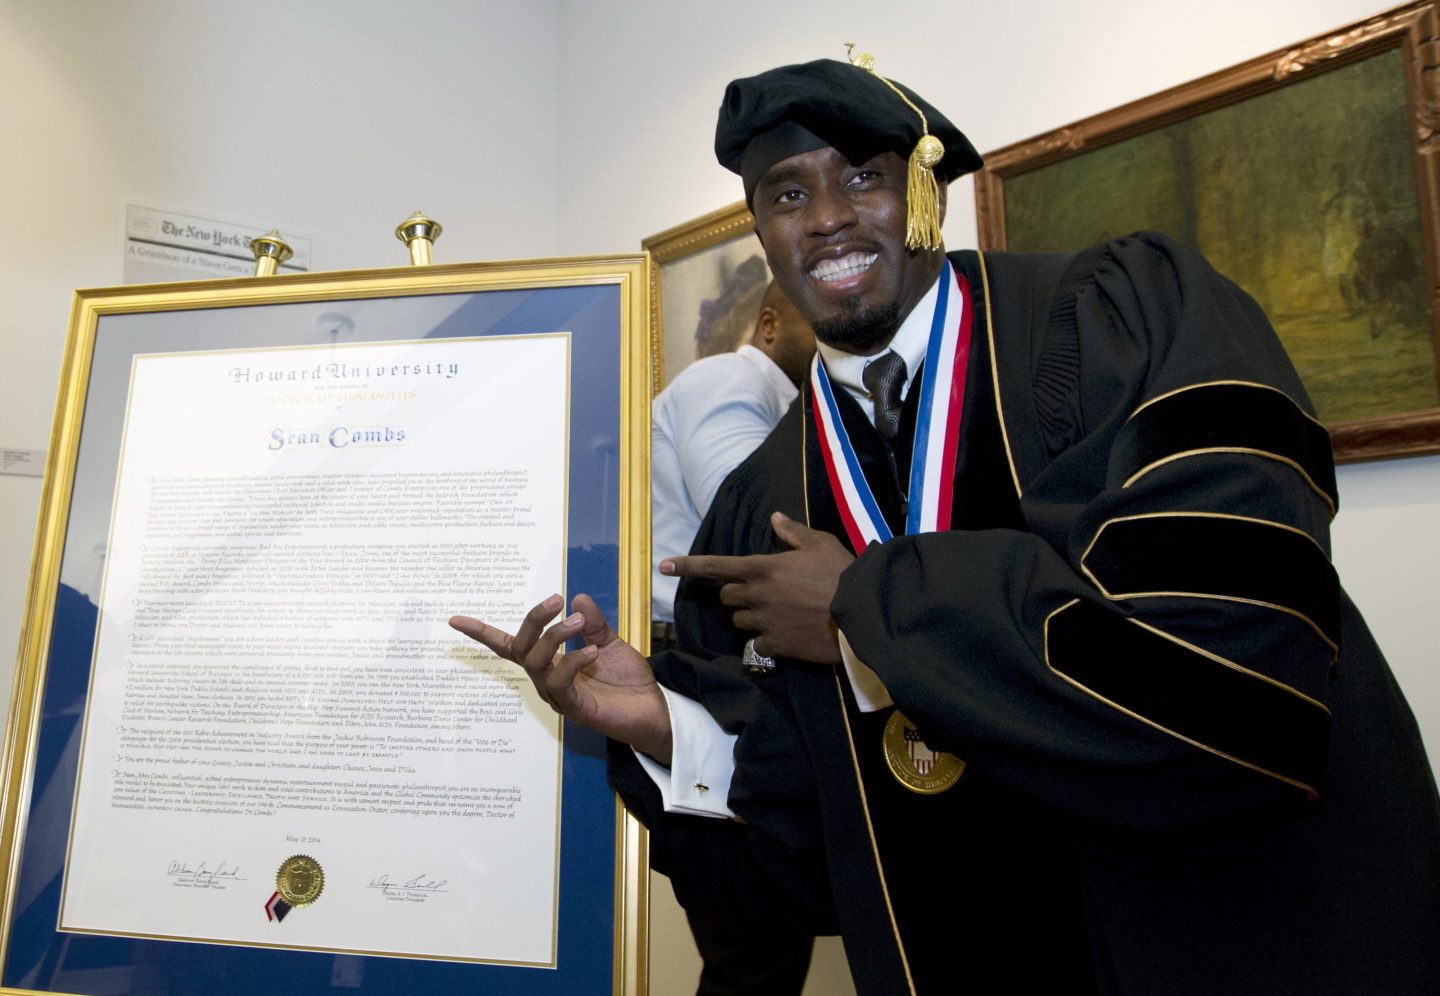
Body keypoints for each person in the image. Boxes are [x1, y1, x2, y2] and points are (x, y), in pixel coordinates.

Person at [453, 54, 1440, 994]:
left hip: (1252, 940)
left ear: (924, 194)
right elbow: (805, 864)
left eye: (865, 177)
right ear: (760, 229)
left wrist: (866, 608)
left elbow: (1237, 682)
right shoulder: (761, 500)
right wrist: (672, 727)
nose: (831, 219)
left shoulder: (1119, 327)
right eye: (788, 194)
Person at [651, 279, 815, 650]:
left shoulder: (786, 402)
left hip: (706, 636)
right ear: (770, 326)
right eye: (814, 319)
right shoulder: (730, 375)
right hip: (684, 642)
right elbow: (753, 523)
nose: (829, 332)